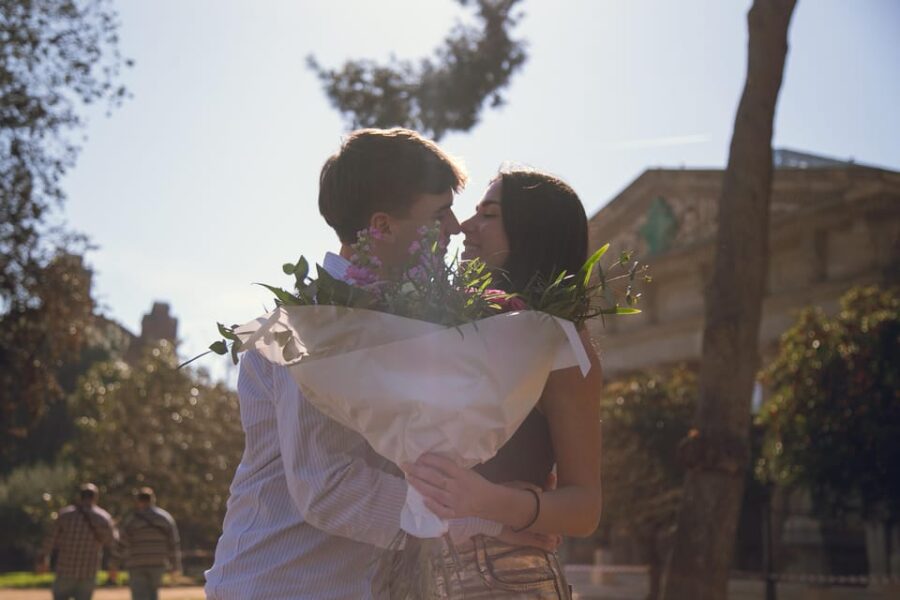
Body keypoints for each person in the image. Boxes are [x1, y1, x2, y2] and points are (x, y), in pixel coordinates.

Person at [205, 129, 551, 600]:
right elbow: (328, 487)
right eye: (438, 212)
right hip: (279, 582)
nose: (454, 227)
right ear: (383, 227)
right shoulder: (301, 328)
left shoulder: (402, 320)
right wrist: (487, 520)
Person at [404, 169, 604, 599]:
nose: (465, 227)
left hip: (506, 577)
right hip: (417, 575)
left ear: (531, 233)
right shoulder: (440, 324)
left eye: (488, 215)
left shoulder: (561, 341)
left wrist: (494, 505)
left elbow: (585, 506)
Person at [37, 483, 119, 600]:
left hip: (65, 570)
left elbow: (50, 539)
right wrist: (113, 566)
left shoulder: (65, 515)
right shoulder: (103, 518)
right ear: (96, 497)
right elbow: (113, 543)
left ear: (79, 497)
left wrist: (43, 559)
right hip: (89, 571)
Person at [118, 487, 181, 600]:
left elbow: (122, 543)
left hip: (136, 563)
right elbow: (173, 544)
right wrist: (175, 566)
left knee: (138, 595)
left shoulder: (132, 520)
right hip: (158, 563)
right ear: (152, 500)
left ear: (138, 501)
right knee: (153, 594)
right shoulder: (164, 518)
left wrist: (114, 563)